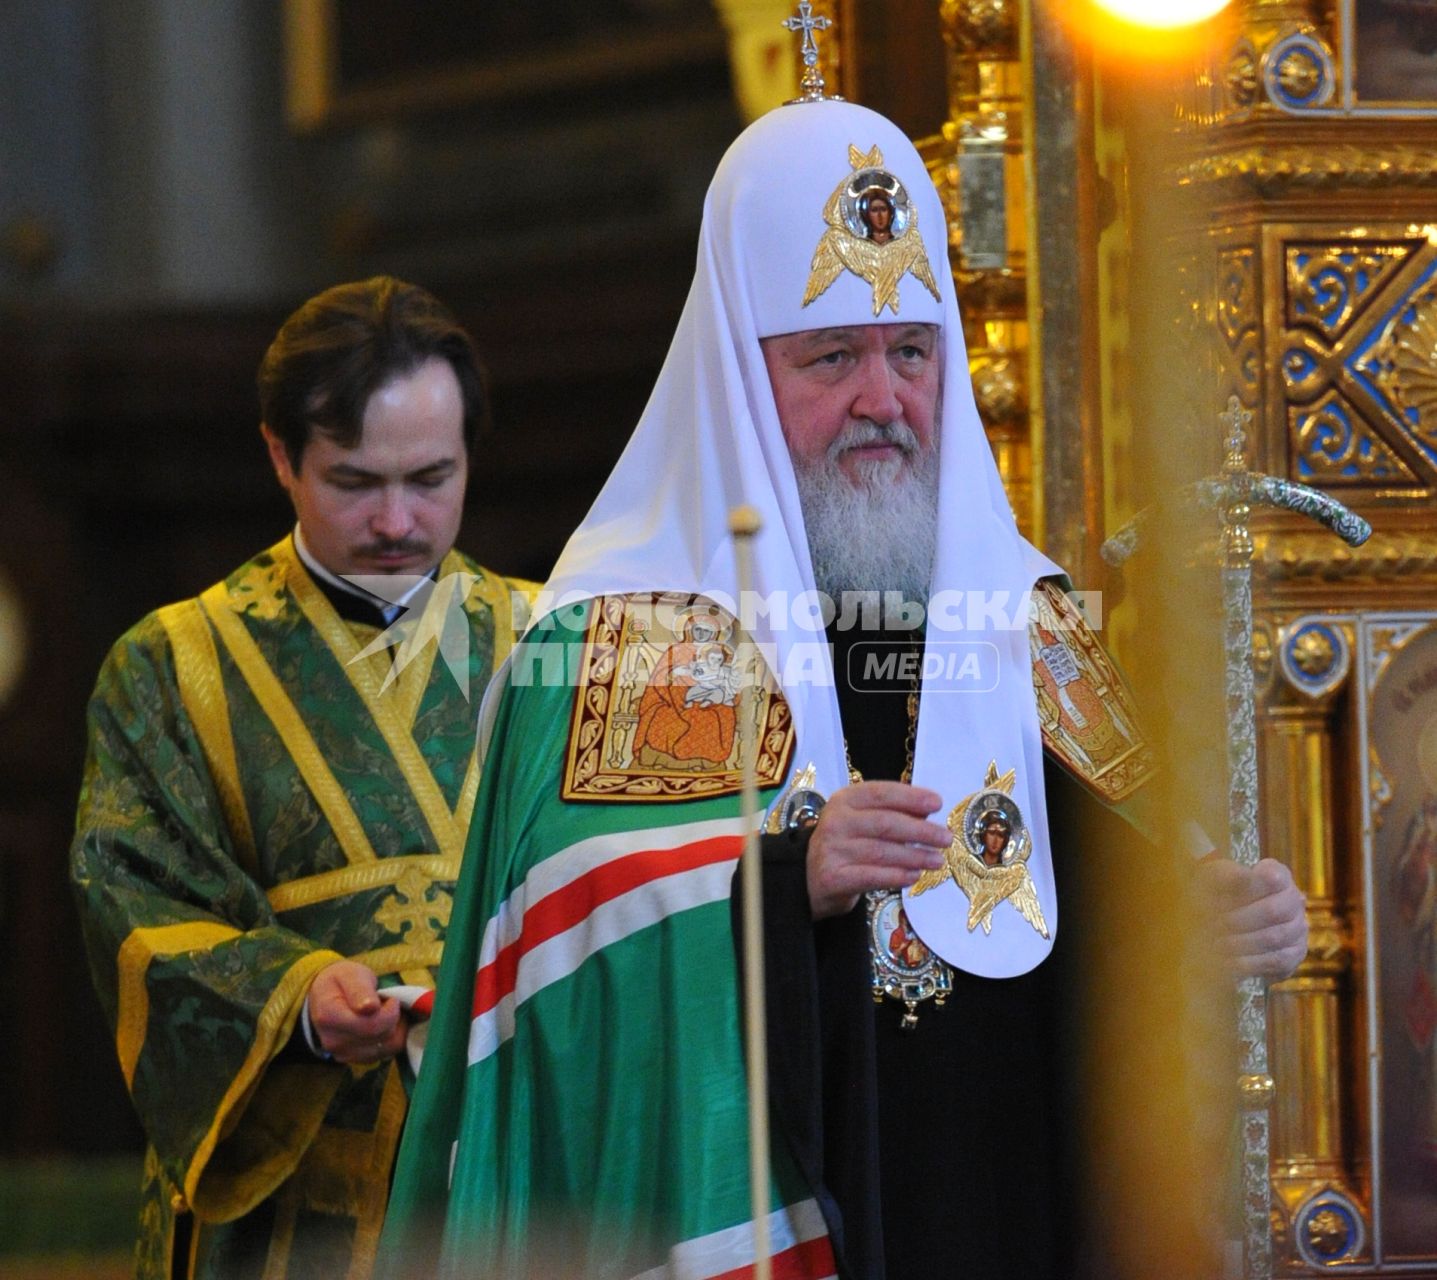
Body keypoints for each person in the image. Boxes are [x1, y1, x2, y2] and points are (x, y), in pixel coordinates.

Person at [380, 97, 1308, 1280]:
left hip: (1014, 1211)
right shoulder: (632, 622)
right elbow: (569, 965)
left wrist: (1199, 916)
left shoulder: (1018, 608)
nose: (885, 397)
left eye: (912, 350)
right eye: (834, 356)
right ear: (736, 374)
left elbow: (1106, 885)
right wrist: (785, 879)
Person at [70, 277, 537, 1280]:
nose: (398, 519)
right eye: (356, 481)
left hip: (517, 1177)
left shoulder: (554, 642)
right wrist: (295, 997)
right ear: (281, 456)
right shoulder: (171, 666)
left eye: (432, 476)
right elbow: (135, 908)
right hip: (290, 1218)